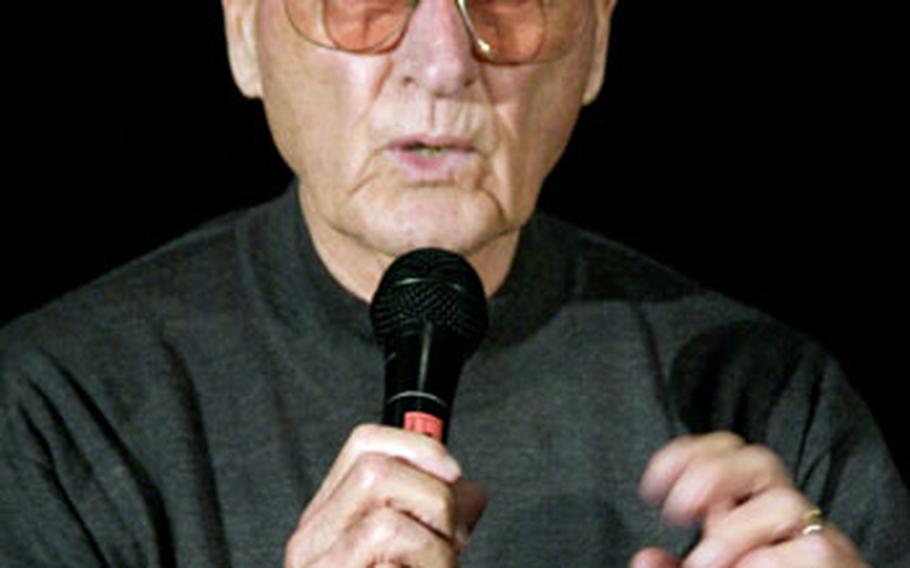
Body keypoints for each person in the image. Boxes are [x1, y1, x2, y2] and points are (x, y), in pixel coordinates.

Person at [1, 0, 907, 565]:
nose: (442, 62)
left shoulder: (773, 400)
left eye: (508, 1)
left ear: (594, 45)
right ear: (244, 30)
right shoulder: (56, 407)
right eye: (364, 1)